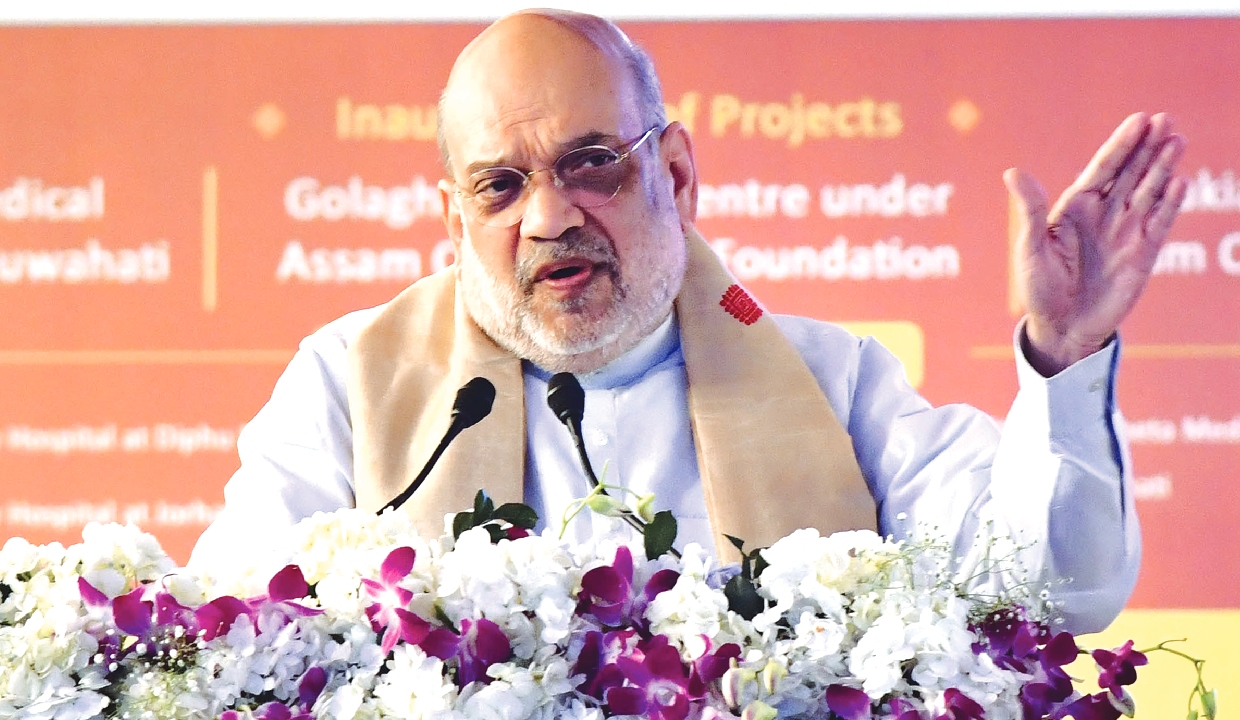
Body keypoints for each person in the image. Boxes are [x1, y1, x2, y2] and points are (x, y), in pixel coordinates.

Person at [191, 10, 1186, 634]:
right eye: (501, 185)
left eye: (592, 163)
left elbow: (1054, 590)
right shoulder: (347, 385)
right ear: (454, 220)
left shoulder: (832, 384)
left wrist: (1066, 358)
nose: (549, 217)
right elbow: (232, 633)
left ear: (674, 173)